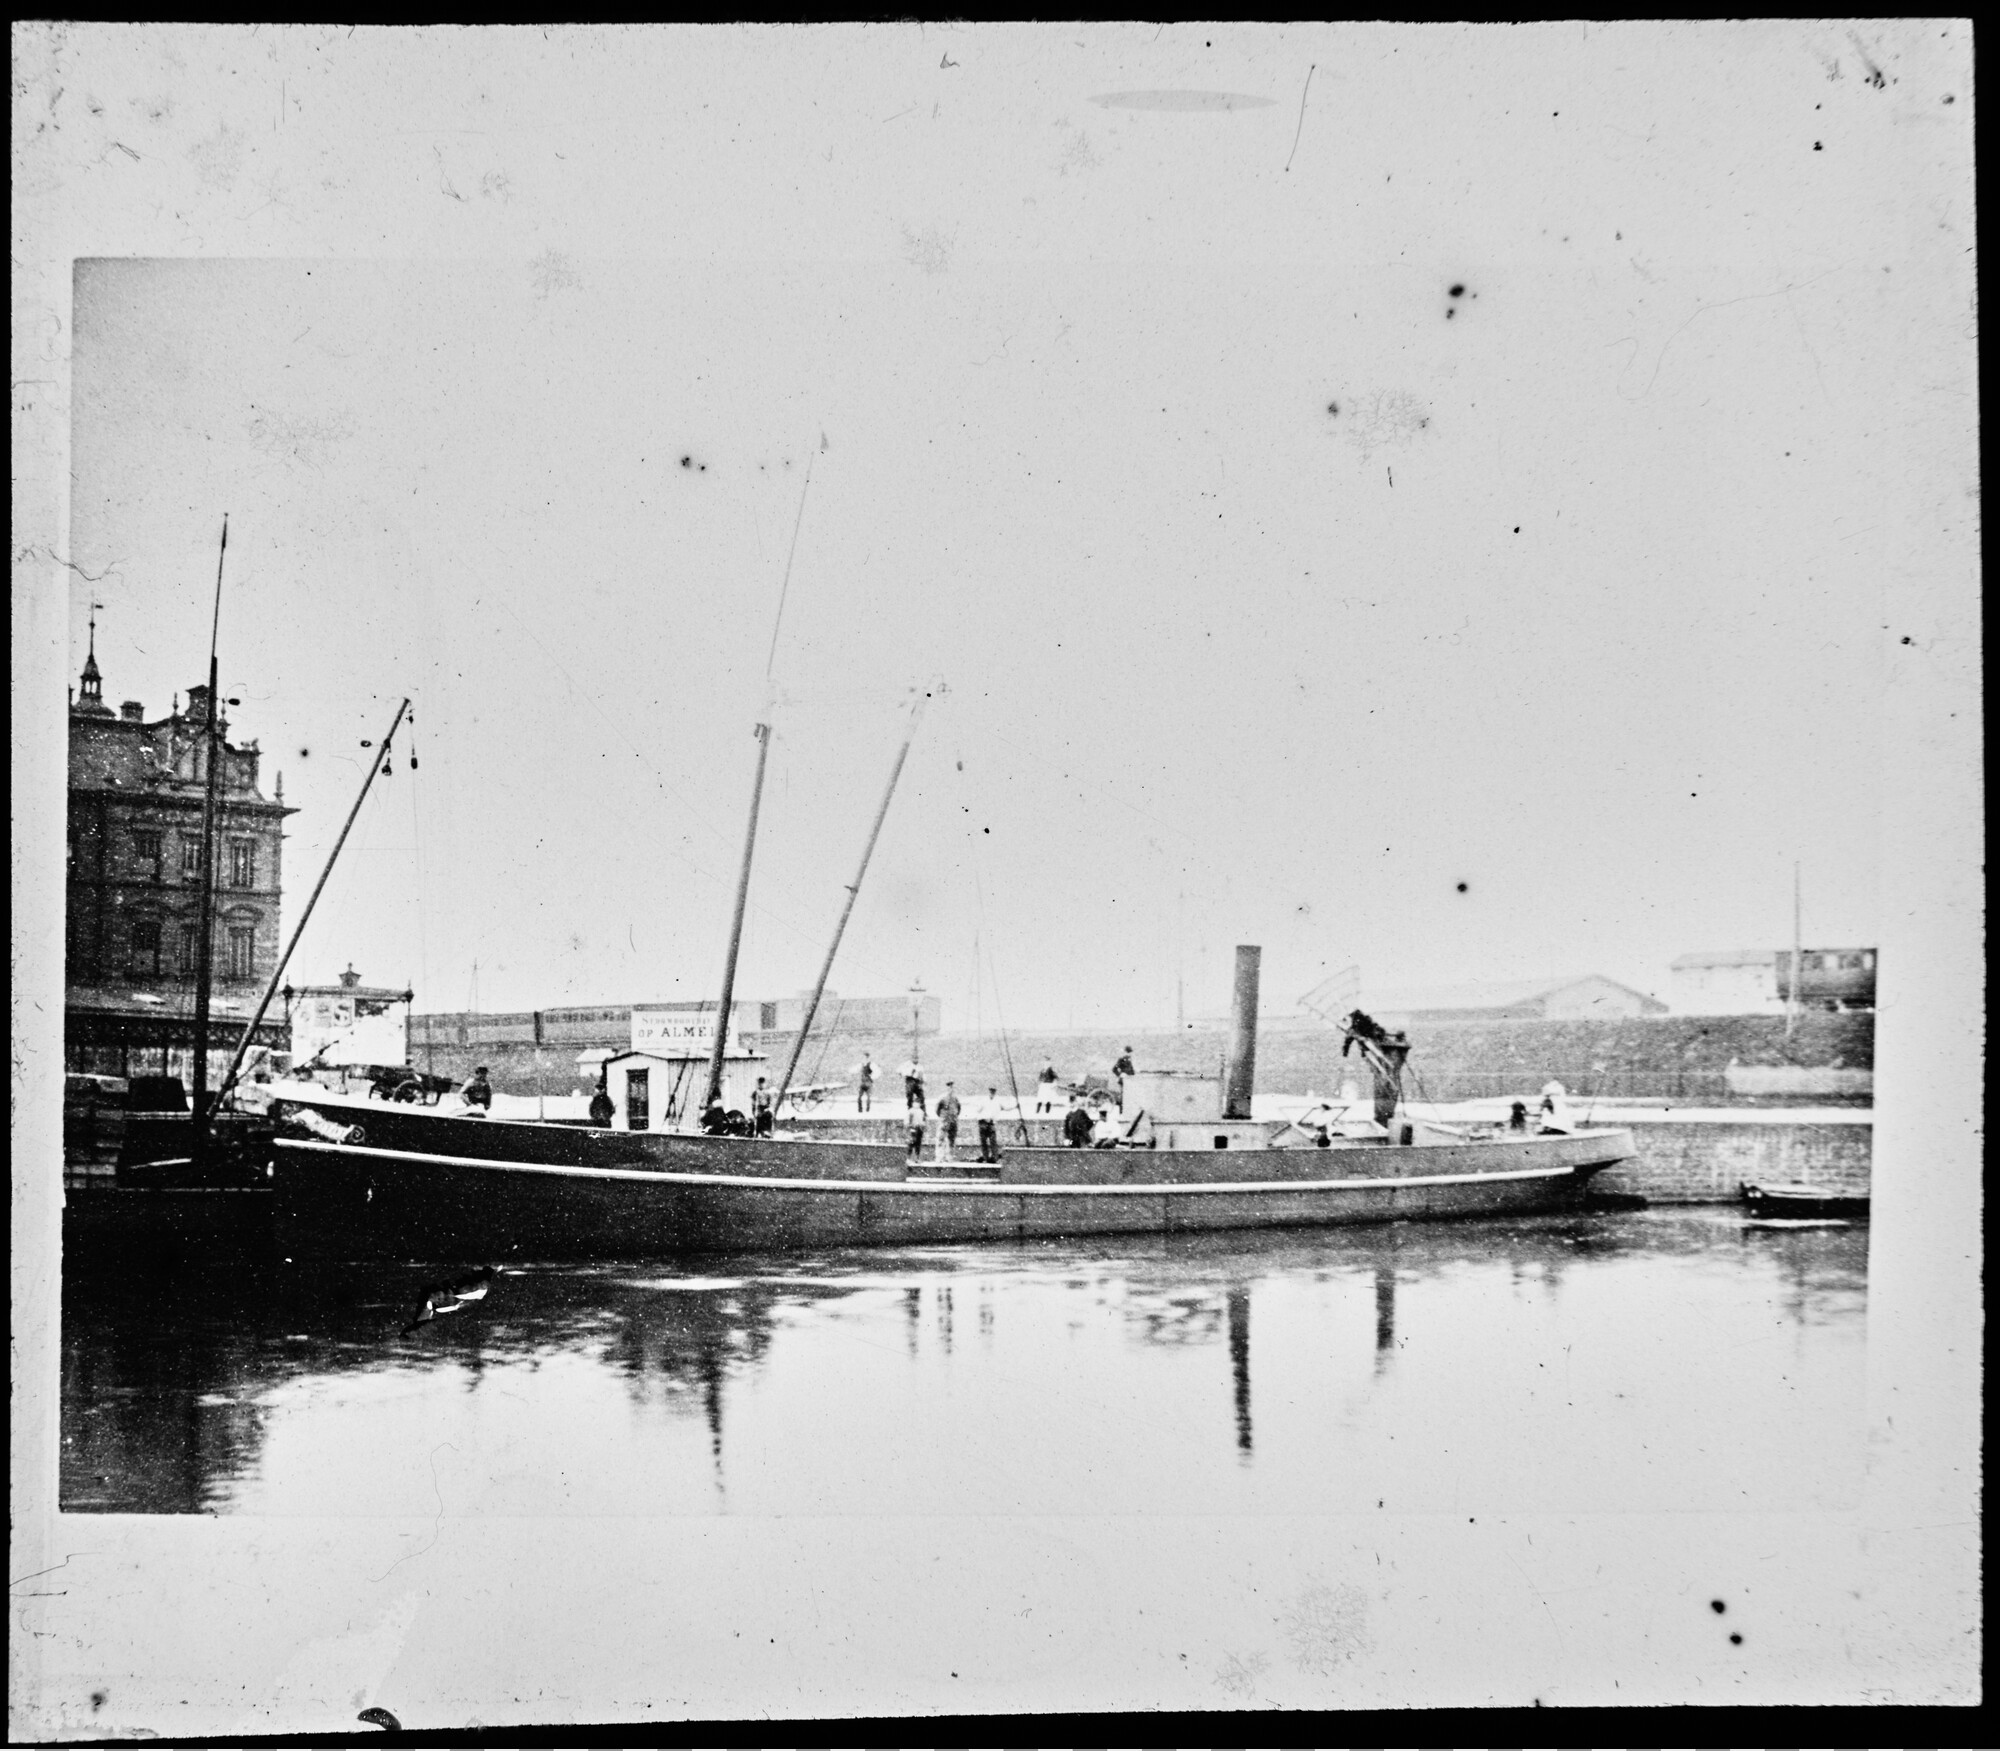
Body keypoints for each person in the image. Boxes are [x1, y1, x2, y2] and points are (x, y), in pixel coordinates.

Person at [936, 1082, 961, 1160]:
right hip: (944, 1121)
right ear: (946, 1088)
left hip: (953, 1121)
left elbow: (959, 1108)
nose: (951, 1089)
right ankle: (940, 1157)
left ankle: (949, 1157)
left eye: (952, 1088)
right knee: (941, 1139)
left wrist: (955, 1116)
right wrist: (942, 1117)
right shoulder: (942, 1098)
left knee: (951, 1140)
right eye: (949, 1088)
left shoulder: (955, 1098)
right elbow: (937, 1109)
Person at [976, 1085, 1002, 1163]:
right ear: (989, 1091)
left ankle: (994, 1158)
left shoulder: (997, 1101)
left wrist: (1015, 1106)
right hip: (983, 1122)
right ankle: (985, 1157)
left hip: (991, 1123)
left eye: (993, 1091)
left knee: (993, 1141)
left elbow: (1004, 1107)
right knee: (983, 1141)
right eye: (991, 1091)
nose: (992, 1092)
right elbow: (978, 1110)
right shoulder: (984, 1100)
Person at [905, 1097, 927, 1165]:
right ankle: (908, 1158)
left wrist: (923, 1126)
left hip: (919, 1129)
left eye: (918, 1102)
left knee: (918, 1144)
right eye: (915, 1102)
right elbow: (907, 1121)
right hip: (913, 1128)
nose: (916, 1104)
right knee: (911, 1143)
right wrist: (909, 1127)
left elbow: (923, 1121)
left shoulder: (921, 1112)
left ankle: (917, 1158)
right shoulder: (911, 1111)